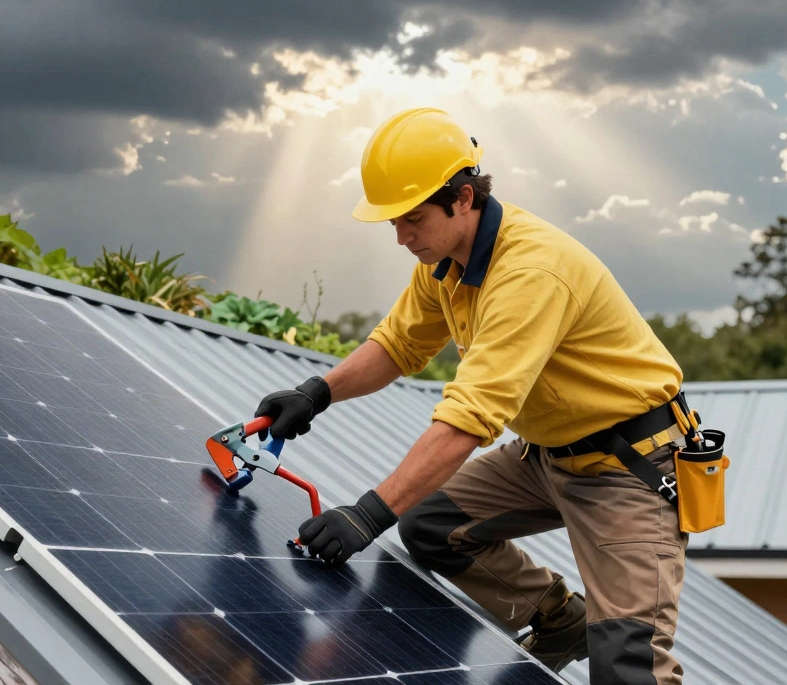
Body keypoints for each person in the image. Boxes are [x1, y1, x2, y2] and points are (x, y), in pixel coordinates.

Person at [253, 108, 694, 683]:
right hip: (548, 456)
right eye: (393, 223)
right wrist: (316, 393)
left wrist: (366, 515)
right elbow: (399, 344)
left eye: (412, 219)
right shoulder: (445, 263)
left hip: (627, 467)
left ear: (463, 198)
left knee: (627, 666)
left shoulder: (531, 271)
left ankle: (605, 646)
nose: (402, 236)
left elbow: (469, 418)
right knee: (431, 526)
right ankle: (559, 619)